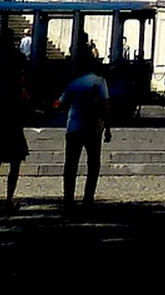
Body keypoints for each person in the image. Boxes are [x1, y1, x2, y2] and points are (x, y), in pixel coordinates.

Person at [0, 27, 30, 210]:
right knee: (15, 165)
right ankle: (9, 199)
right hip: (14, 123)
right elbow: (25, 91)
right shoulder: (18, 62)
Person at [54, 63, 111, 216]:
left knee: (71, 165)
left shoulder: (74, 83)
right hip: (92, 129)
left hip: (73, 128)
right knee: (93, 164)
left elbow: (60, 102)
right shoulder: (100, 82)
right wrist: (107, 127)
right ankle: (88, 198)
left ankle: (68, 200)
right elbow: (105, 105)